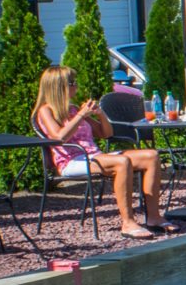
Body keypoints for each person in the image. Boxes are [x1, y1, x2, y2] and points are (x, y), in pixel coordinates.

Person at [34, 65, 172, 240]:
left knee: (151, 156)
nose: (76, 85)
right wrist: (81, 116)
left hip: (94, 157)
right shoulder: (46, 111)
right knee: (122, 162)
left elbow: (106, 133)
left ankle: (153, 217)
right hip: (72, 161)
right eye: (72, 82)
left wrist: (99, 114)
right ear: (59, 86)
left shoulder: (74, 109)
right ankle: (128, 222)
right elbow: (59, 137)